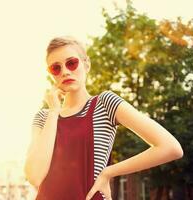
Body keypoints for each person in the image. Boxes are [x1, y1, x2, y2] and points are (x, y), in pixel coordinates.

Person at [24, 36, 183, 200]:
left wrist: (109, 172)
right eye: (56, 68)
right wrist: (53, 112)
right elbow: (34, 176)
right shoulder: (43, 117)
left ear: (86, 64)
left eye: (71, 63)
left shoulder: (105, 103)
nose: (65, 71)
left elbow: (170, 147)